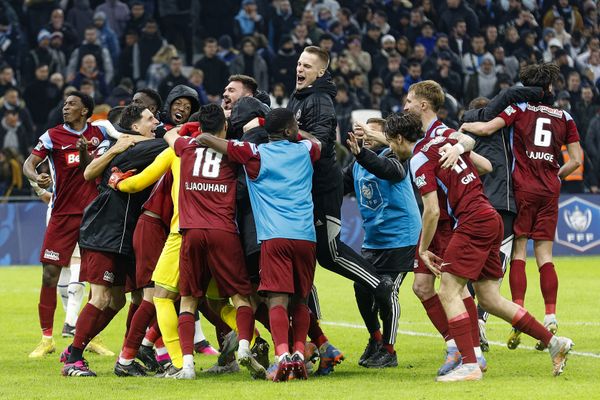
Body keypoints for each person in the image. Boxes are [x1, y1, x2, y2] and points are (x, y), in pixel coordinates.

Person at [387, 111, 574, 381]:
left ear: (401, 138)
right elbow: (486, 166)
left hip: (472, 220)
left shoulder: (419, 158)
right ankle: (555, 343)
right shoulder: (444, 142)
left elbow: (431, 212)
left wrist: (423, 249)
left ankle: (471, 364)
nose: (392, 149)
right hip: (490, 216)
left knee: (449, 290)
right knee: (489, 298)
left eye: (391, 143)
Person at [288, 46, 398, 375]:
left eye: (307, 65)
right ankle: (318, 343)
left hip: (323, 190)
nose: (300, 69)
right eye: (298, 63)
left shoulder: (319, 100)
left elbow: (322, 145)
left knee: (329, 254)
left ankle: (380, 284)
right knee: (307, 264)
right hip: (306, 192)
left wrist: (288, 131)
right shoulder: (299, 99)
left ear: (321, 72)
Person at [459, 63, 583, 352]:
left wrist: (465, 126)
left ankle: (519, 313)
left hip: (523, 188)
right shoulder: (565, 116)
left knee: (518, 250)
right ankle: (550, 315)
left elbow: (488, 126)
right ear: (549, 87)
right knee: (546, 255)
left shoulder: (520, 110)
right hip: (550, 188)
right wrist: (556, 175)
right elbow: (576, 159)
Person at [199, 107, 321, 381]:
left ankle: (282, 357)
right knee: (301, 299)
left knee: (277, 298)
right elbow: (317, 142)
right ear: (290, 131)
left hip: (274, 237)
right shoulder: (305, 151)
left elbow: (216, 142)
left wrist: (203, 137)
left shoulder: (256, 154)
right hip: (305, 236)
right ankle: (300, 353)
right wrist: (295, 130)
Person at [61, 104, 168, 377]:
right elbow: (87, 174)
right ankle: (73, 358)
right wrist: (116, 148)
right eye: (150, 118)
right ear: (134, 127)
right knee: (100, 297)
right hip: (104, 230)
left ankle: (79, 346)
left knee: (117, 301)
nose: (157, 121)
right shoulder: (130, 148)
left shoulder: (134, 144)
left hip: (123, 233)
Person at [161, 104, 260, 380]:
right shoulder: (233, 151)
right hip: (223, 231)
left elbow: (169, 134)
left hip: (191, 232)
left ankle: (188, 366)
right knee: (241, 296)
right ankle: (243, 346)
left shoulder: (186, 147)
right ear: (225, 127)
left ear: (200, 126)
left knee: (188, 301)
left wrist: (188, 130)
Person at [401, 80, 486, 376]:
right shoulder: (426, 141)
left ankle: (472, 354)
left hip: (448, 223)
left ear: (423, 105)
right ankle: (455, 345)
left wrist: (461, 146)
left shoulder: (441, 134)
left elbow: (480, 158)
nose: (405, 106)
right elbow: (484, 164)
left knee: (455, 289)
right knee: (422, 287)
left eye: (409, 101)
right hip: (435, 225)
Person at [22, 91, 108, 358]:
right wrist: (37, 177)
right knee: (49, 274)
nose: (65, 108)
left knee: (97, 280)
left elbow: (90, 169)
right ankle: (46, 339)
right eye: (65, 104)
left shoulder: (100, 135)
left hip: (93, 214)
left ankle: (89, 337)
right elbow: (28, 163)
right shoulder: (52, 135)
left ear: (85, 110)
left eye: (72, 104)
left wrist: (84, 151)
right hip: (61, 214)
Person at [461, 85, 544, 351]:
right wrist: (538, 92)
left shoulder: (464, 134)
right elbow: (507, 98)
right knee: (495, 269)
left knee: (471, 268)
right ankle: (480, 323)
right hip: (501, 205)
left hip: (473, 204)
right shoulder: (493, 124)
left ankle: (469, 327)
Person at [344, 117, 421, 368]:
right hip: (373, 241)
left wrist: (362, 153)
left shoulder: (395, 157)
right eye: (364, 132)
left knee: (387, 290)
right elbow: (336, 185)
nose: (366, 137)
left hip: (401, 239)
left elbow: (387, 170)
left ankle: (389, 350)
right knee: (361, 287)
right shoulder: (357, 162)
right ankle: (375, 339)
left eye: (373, 133)